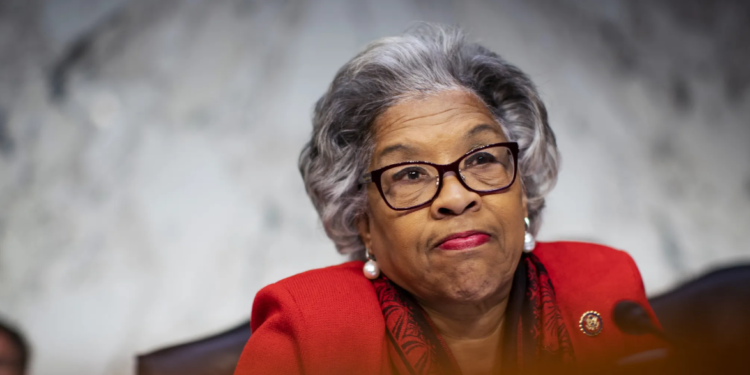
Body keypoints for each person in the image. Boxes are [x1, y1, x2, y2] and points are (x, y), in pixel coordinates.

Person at [234, 24, 665, 375]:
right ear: (361, 218)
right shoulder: (308, 333)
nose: (457, 198)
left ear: (524, 191)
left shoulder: (606, 286)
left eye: (481, 159)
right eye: (411, 174)